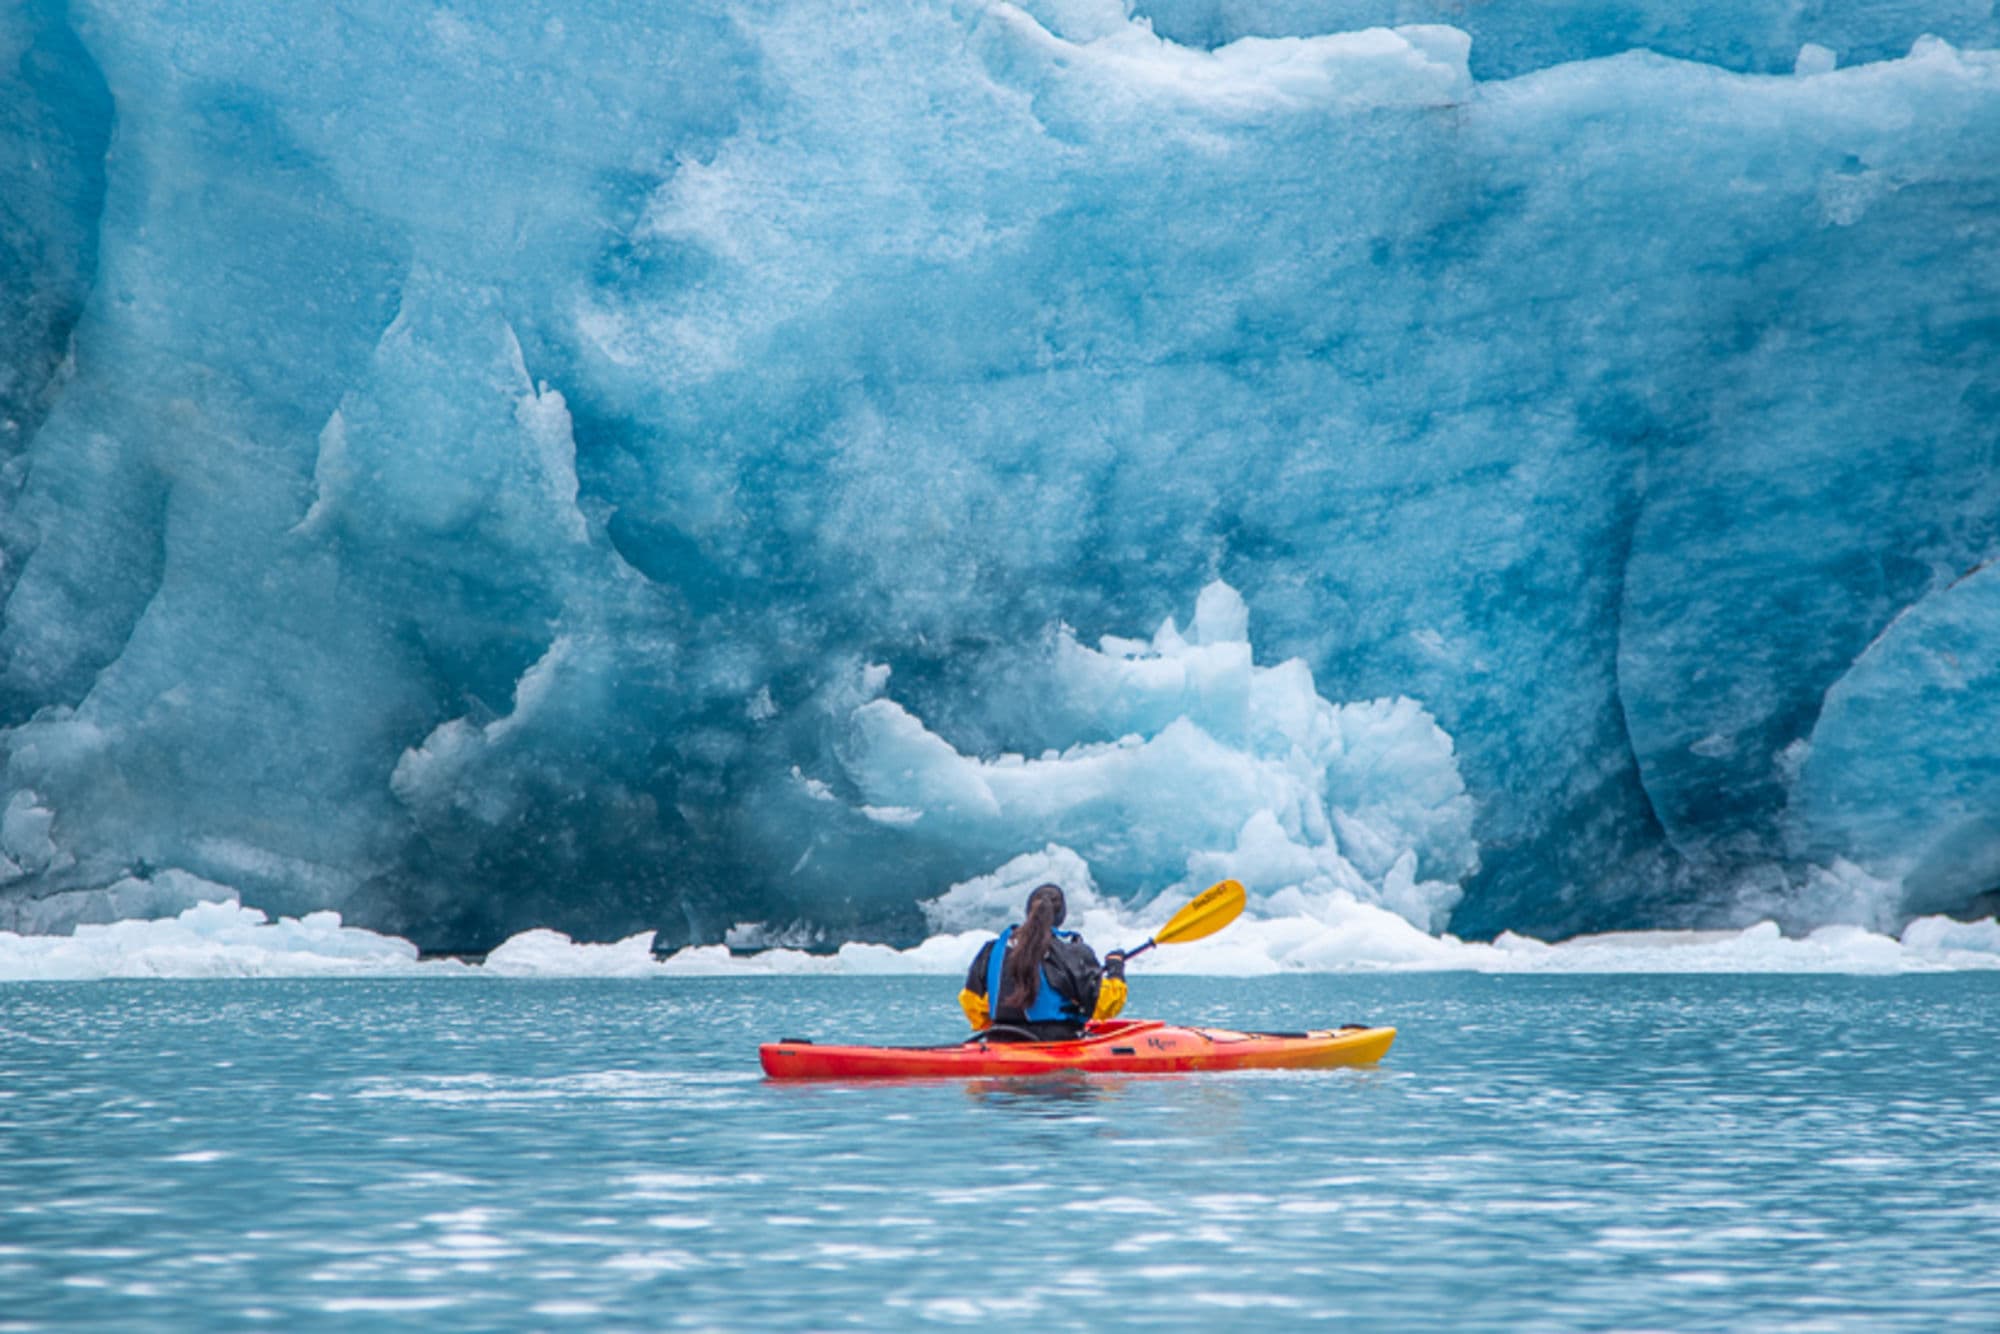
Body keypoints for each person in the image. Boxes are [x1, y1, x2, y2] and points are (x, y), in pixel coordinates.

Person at [958, 883, 1127, 1040]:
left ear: (1028, 912)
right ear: (1062, 916)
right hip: (1056, 1042)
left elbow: (972, 1004)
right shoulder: (1072, 952)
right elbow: (1103, 1005)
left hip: (1001, 1038)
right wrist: (1115, 969)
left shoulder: (991, 950)